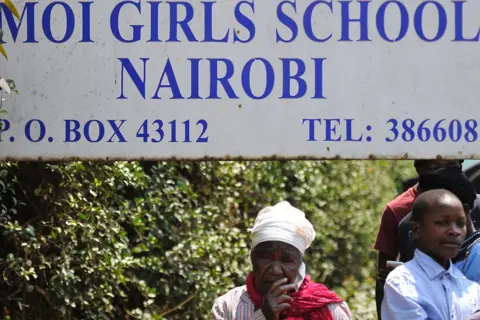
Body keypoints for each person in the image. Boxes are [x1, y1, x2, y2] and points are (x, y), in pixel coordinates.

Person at [211, 201, 352, 320]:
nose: (275, 269)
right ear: (252, 257)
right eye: (265, 256)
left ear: (299, 264)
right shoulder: (227, 307)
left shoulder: (332, 310)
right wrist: (263, 316)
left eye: (287, 259)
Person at [374, 159, 463, 318]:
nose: (445, 174)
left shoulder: (471, 201)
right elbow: (383, 275)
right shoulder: (398, 211)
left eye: (453, 166)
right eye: (435, 168)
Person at [381, 189, 480, 320]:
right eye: (442, 223)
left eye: (460, 223)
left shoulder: (470, 288)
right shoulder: (402, 283)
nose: (454, 231)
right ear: (416, 230)